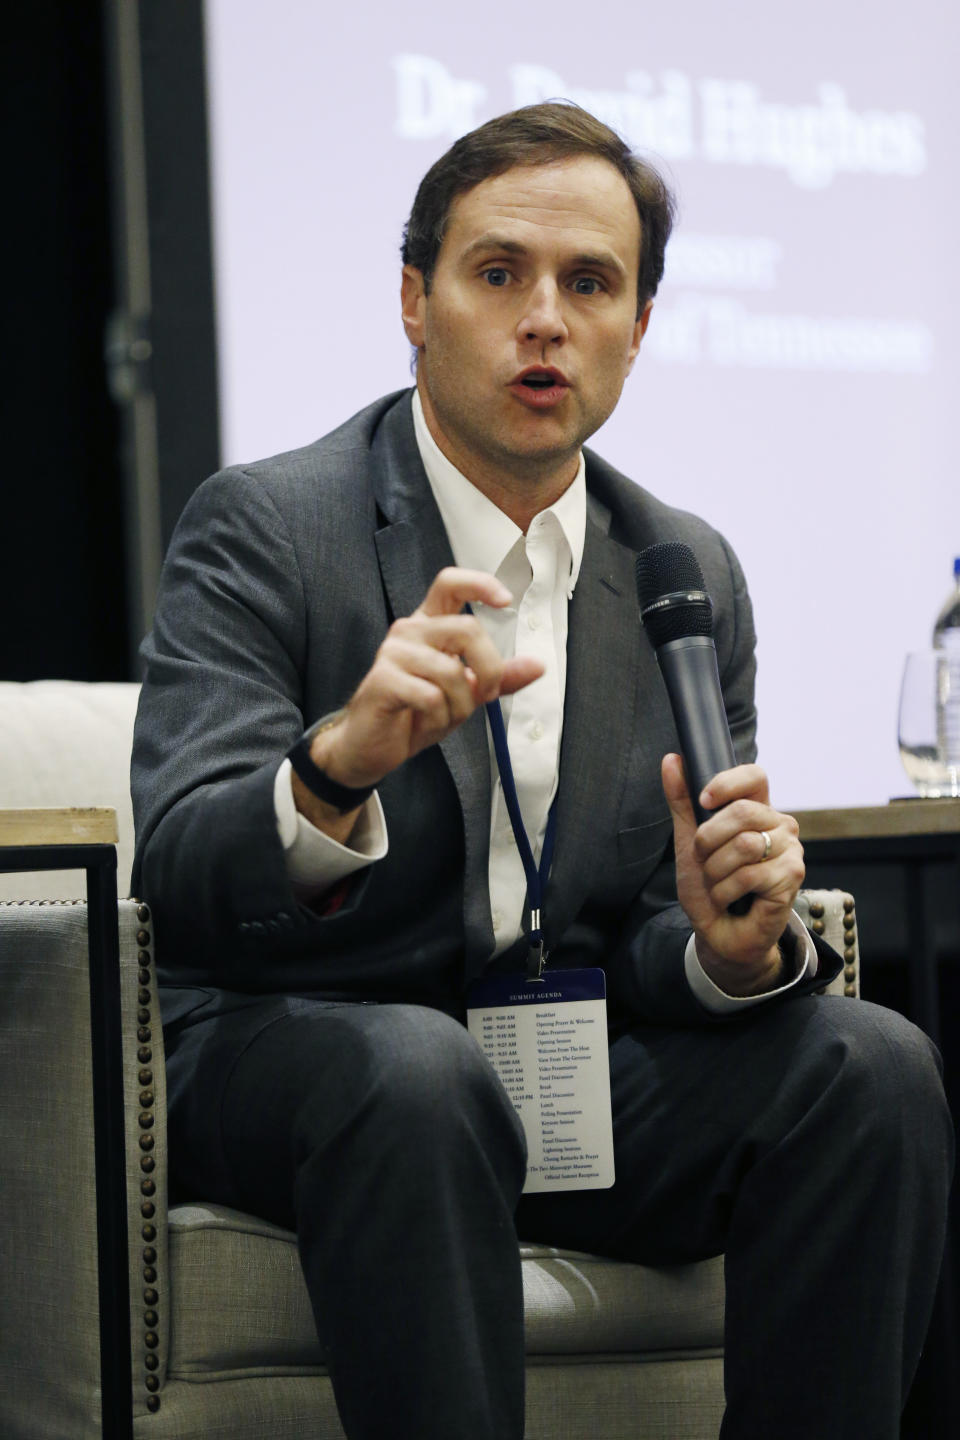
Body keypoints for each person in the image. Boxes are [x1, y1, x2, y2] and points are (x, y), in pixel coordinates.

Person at [131, 102, 952, 1439]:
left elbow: (635, 935)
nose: (545, 319)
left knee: (874, 1067)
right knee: (418, 1076)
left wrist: (722, 948)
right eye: (498, 273)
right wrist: (337, 769)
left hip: (558, 1077)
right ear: (415, 297)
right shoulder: (270, 526)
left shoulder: (679, 567)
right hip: (302, 1059)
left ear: (637, 329)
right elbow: (180, 872)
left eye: (591, 283)